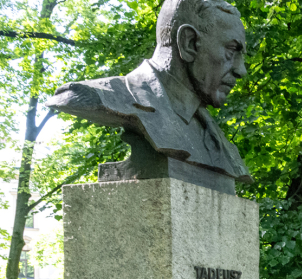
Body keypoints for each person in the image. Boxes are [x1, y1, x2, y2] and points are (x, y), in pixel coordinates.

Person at [46, 0, 252, 183]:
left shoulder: (215, 138)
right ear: (188, 43)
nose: (241, 70)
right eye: (231, 51)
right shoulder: (98, 96)